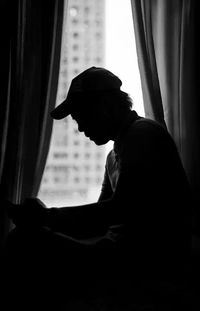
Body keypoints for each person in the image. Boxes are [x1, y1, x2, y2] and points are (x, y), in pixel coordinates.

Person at [5, 67, 192, 282]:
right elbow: (101, 220)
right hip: (120, 252)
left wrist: (47, 218)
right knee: (28, 237)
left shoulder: (143, 133)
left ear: (106, 105)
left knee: (23, 241)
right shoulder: (114, 155)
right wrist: (44, 221)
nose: (81, 128)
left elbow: (120, 209)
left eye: (81, 116)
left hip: (148, 259)